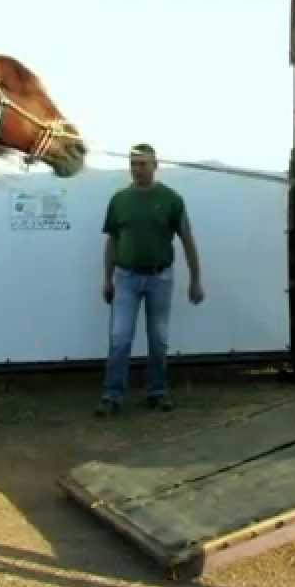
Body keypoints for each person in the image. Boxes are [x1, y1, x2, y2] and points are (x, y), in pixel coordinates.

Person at [96, 143, 204, 416]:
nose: (137, 169)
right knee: (120, 337)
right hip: (126, 278)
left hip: (160, 278)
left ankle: (157, 391)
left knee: (158, 339)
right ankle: (112, 395)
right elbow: (112, 242)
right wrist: (107, 279)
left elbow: (188, 240)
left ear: (156, 165)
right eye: (133, 164)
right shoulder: (119, 200)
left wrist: (195, 280)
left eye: (143, 164)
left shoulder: (171, 199)